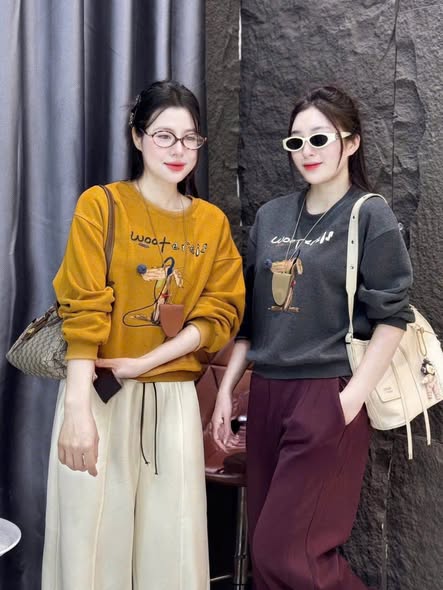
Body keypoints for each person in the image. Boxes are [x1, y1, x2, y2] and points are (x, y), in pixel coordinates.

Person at [42, 80, 245, 590]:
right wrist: (77, 408)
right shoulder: (102, 205)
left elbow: (220, 312)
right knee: (91, 548)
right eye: (164, 136)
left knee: (170, 553)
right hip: (99, 394)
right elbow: (84, 307)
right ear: (137, 137)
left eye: (190, 138)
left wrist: (147, 363)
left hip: (173, 403)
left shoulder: (212, 224)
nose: (179, 150)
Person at [211, 85, 414, 590]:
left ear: (351, 142)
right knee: (267, 559)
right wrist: (225, 390)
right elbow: (251, 321)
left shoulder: (369, 214)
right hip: (267, 393)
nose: (306, 151)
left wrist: (347, 402)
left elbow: (392, 318)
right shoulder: (271, 216)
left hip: (327, 391)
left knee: (289, 553)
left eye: (319, 138)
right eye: (296, 141)